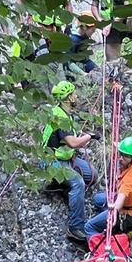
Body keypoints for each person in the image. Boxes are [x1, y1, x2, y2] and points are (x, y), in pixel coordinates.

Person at [42, 80, 98, 244]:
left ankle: (58, 184)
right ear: (67, 98)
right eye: (73, 93)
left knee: (91, 176)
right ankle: (75, 227)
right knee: (79, 183)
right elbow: (73, 143)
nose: (76, 96)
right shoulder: (60, 117)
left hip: (65, 159)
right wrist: (90, 136)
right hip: (52, 162)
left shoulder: (64, 112)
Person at [86, 136, 132, 239]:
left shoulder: (129, 179)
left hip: (128, 214)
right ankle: (103, 221)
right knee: (97, 199)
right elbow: (119, 148)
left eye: (125, 156)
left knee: (89, 226)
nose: (121, 158)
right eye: (121, 154)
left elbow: (121, 197)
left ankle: (97, 249)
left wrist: (114, 213)